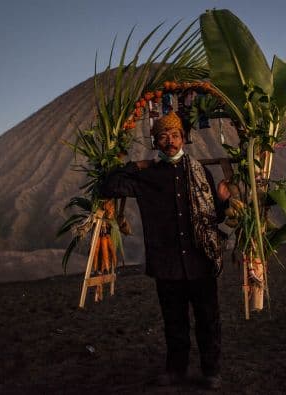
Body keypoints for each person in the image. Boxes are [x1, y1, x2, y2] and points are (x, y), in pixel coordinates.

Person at [99, 111, 230, 389]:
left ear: (183, 138)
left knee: (208, 319)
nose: (169, 141)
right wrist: (137, 165)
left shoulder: (199, 172)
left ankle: (211, 371)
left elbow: (215, 217)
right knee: (174, 322)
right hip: (167, 264)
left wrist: (221, 201)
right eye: (163, 136)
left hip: (200, 260)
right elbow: (108, 186)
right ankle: (176, 371)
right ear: (155, 142)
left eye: (174, 135)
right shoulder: (149, 176)